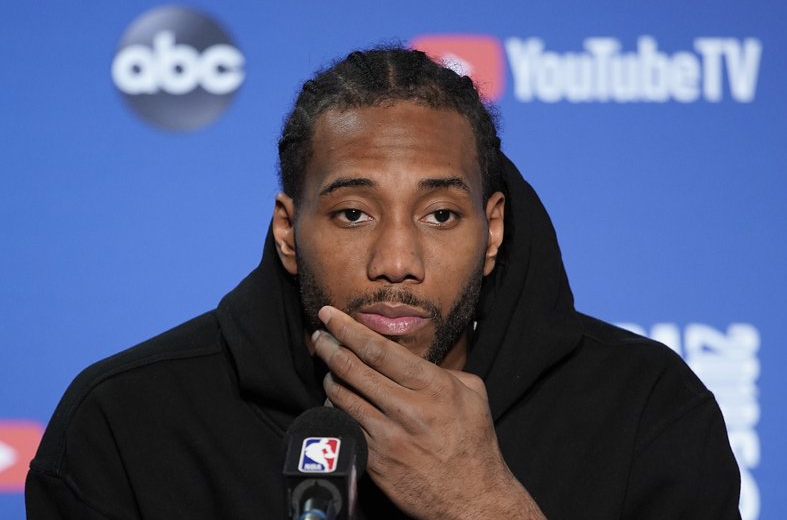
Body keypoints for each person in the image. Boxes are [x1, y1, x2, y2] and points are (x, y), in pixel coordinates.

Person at [26, 47, 742, 520]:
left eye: (438, 213)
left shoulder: (647, 408)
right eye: (352, 212)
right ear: (288, 233)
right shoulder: (127, 421)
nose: (396, 260)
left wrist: (483, 503)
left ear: (491, 232)